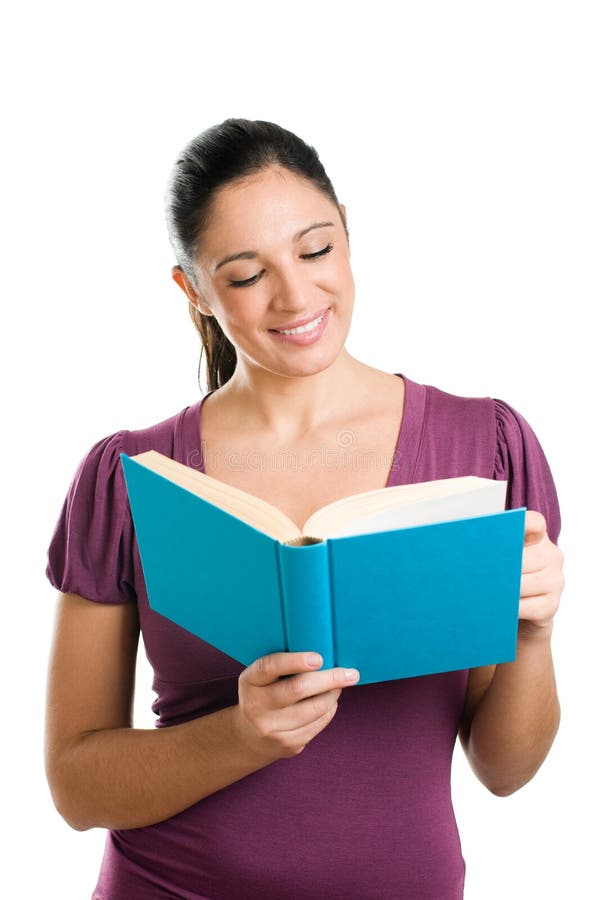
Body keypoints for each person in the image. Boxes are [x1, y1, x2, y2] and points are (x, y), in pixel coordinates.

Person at [43, 118, 565, 900]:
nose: (296, 295)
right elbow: (76, 785)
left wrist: (533, 633)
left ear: (348, 234)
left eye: (316, 250)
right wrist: (242, 737)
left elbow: (505, 771)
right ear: (194, 291)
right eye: (247, 275)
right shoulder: (129, 479)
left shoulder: (484, 445)